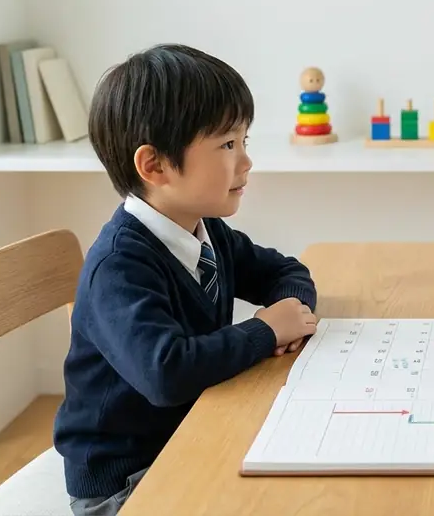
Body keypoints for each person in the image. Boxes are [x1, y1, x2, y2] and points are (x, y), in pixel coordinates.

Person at [53, 44, 320, 515]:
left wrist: (289, 316)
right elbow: (166, 373)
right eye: (227, 145)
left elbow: (285, 271)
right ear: (154, 166)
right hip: (125, 483)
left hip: (190, 434)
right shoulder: (118, 266)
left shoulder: (203, 227)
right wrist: (265, 330)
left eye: (245, 141)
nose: (246, 162)